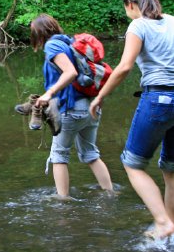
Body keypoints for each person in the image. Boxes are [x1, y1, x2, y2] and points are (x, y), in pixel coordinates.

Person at [89, 0, 174, 238]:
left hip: (158, 99)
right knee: (172, 170)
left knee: (132, 164)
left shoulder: (138, 26)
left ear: (131, 5)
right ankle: (170, 231)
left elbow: (124, 68)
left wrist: (100, 96)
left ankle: (162, 222)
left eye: (126, 9)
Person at [30, 13, 113, 198]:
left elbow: (70, 73)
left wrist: (49, 94)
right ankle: (110, 193)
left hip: (71, 109)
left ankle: (63, 201)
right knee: (91, 154)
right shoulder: (69, 43)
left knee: (58, 156)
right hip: (91, 108)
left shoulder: (52, 45)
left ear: (39, 32)